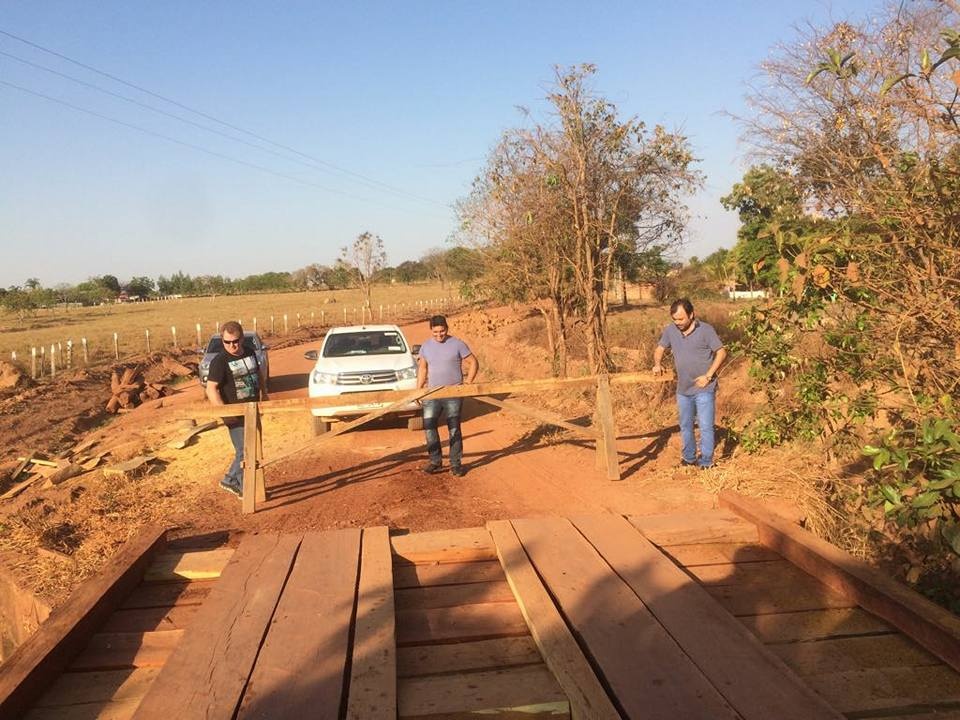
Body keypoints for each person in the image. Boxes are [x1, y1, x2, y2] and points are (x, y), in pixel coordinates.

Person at [652, 299, 727, 469]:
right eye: (674, 319)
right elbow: (659, 349)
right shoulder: (671, 330)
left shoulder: (706, 330)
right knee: (685, 426)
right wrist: (657, 364)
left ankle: (706, 462)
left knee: (706, 426)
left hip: (704, 388)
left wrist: (708, 376)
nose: (677, 323)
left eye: (681, 319)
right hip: (683, 389)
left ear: (691, 315)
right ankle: (689, 458)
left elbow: (721, 353)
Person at [205, 321, 269, 497]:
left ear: (241, 339)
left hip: (253, 409)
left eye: (235, 341)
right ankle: (242, 487)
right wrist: (225, 413)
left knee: (253, 449)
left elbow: (258, 375)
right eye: (227, 342)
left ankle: (231, 480)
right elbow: (211, 388)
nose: (232, 345)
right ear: (223, 341)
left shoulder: (249, 352)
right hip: (234, 414)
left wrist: (265, 393)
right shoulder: (220, 361)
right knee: (244, 451)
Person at [417, 315, 479, 477]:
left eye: (442, 331)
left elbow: (473, 362)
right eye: (435, 332)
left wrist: (469, 383)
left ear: (447, 329)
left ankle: (455, 464)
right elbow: (422, 369)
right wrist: (419, 390)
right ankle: (435, 461)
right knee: (429, 427)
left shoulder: (458, 344)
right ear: (431, 331)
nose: (439, 335)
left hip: (454, 393)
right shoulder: (426, 346)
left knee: (454, 428)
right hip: (432, 394)